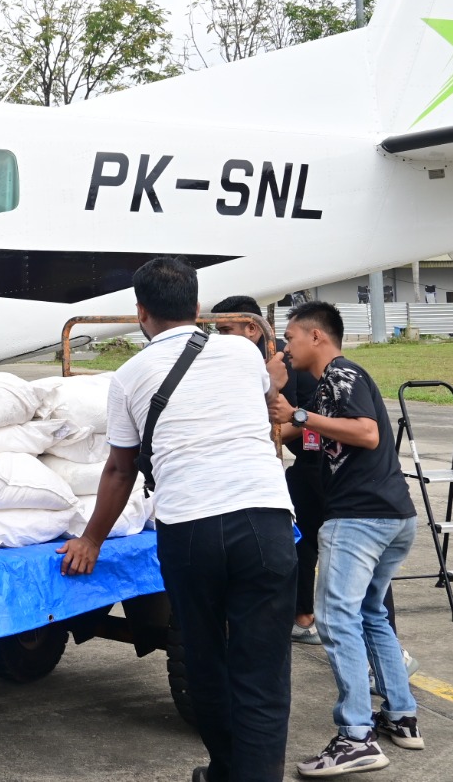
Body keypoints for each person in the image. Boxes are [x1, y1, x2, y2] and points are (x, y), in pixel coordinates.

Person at [61, 257, 294, 782]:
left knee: (207, 661)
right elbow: (265, 400)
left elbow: (121, 470)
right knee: (263, 671)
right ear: (196, 307)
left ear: (140, 312)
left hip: (190, 529)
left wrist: (91, 540)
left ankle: (225, 769)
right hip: (264, 520)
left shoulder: (126, 378)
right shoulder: (241, 349)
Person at [274, 301, 423, 777]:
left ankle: (355, 736)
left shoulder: (342, 374)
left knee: (337, 621)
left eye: (291, 337)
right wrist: (281, 415)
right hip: (392, 516)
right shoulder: (324, 391)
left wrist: (298, 415)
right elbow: (311, 436)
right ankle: (400, 716)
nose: (286, 345)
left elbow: (367, 433)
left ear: (317, 337)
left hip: (359, 519)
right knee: (369, 614)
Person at [211, 295, 323, 644]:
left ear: (252, 329)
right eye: (216, 331)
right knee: (297, 541)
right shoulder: (236, 364)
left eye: (226, 329)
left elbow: (294, 424)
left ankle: (306, 617)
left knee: (316, 544)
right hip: (297, 462)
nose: (220, 338)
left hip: (321, 460)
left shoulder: (279, 364)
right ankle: (301, 614)